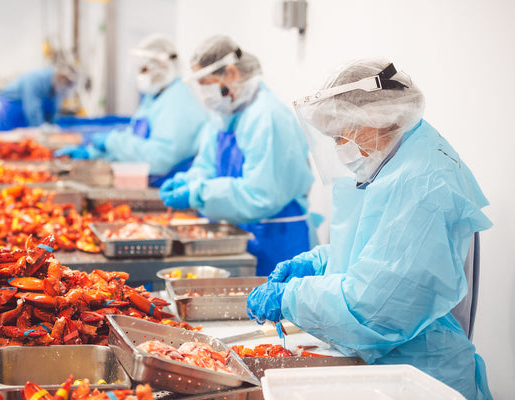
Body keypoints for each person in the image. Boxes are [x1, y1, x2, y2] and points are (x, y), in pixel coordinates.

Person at [246, 58, 493, 399]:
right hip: (398, 366)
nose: (339, 148)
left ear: (377, 120)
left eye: (340, 135)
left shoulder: (421, 183)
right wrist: (322, 261)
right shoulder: (403, 157)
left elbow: (376, 310)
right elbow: (385, 248)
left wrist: (291, 297)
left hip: (422, 374)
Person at [158, 35, 315, 276]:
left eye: (206, 82)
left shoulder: (267, 117)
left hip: (278, 240)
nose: (204, 93)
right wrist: (188, 181)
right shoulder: (225, 113)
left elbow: (260, 194)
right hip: (243, 234)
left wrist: (198, 194)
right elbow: (208, 165)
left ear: (231, 74)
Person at [54, 34, 209, 187]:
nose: (140, 75)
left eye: (144, 69)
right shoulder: (155, 97)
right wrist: (94, 153)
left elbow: (160, 158)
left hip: (170, 185)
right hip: (148, 182)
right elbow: (135, 142)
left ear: (163, 66)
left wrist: (112, 142)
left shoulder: (178, 100)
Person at [0, 64, 76, 133]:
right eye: (67, 84)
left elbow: (53, 112)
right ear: (61, 77)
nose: (66, 89)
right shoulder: (36, 79)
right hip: (0, 114)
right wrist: (40, 128)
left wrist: (52, 127)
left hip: (17, 120)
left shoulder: (55, 90)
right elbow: (32, 108)